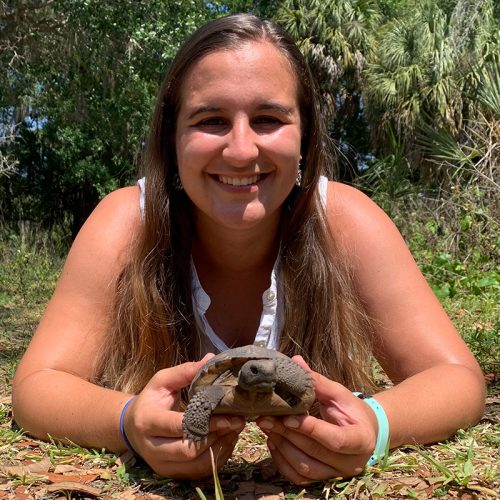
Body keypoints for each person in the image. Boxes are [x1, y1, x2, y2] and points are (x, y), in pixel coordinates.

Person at [12, 13, 485, 485]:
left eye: (268, 119)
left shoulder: (345, 220)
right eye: (211, 120)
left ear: (305, 137)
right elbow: (36, 388)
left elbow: (458, 378)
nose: (241, 150)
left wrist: (376, 426)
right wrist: (130, 422)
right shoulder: (126, 222)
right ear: (171, 139)